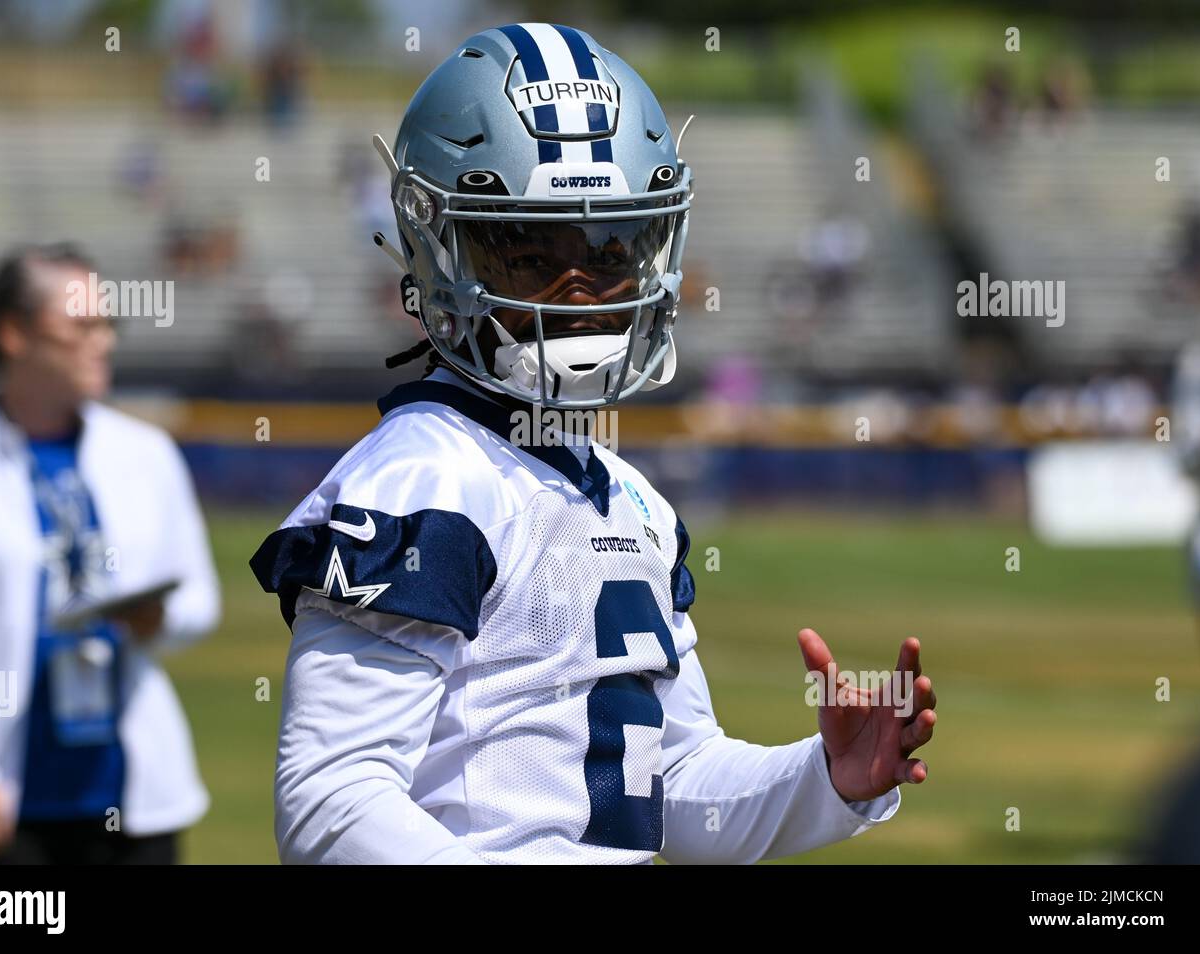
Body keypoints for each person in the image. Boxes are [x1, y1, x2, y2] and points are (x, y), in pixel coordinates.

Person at [252, 23, 936, 864]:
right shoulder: (422, 480)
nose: (578, 292)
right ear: (438, 249)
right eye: (531, 252)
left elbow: (669, 783)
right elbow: (333, 803)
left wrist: (827, 778)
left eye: (610, 248)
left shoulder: (632, 500)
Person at [0, 244, 220, 864]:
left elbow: (198, 599)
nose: (102, 341)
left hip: (131, 804)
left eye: (109, 324)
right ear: (14, 335)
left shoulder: (146, 453)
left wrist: (158, 619)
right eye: (80, 326)